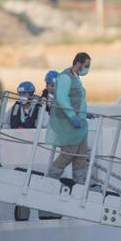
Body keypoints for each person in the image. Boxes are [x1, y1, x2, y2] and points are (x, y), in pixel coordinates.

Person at [45, 52, 92, 186]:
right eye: (86, 65)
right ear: (78, 64)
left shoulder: (75, 77)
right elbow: (62, 99)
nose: (87, 69)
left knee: (81, 154)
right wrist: (72, 116)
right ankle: (51, 179)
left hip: (80, 123)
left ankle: (80, 183)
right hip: (68, 122)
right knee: (69, 152)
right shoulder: (65, 77)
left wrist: (84, 114)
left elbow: (78, 98)